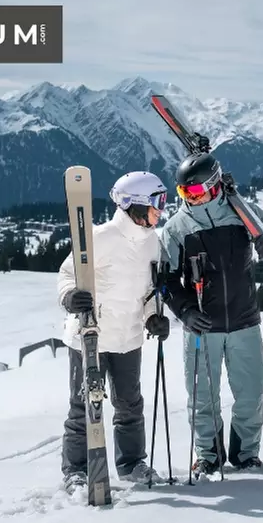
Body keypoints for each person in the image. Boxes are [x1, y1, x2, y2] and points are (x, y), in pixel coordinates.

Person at [160, 152, 263, 477]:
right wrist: (185, 311)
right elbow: (165, 282)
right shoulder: (177, 228)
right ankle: (208, 456)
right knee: (202, 398)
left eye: (194, 192)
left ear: (214, 185)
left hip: (245, 320)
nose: (189, 199)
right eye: (183, 194)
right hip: (202, 327)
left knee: (251, 393)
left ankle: (246, 455)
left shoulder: (241, 212)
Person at [57, 171, 172, 492]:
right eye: (156, 202)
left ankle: (132, 463)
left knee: (130, 405)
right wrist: (70, 296)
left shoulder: (153, 242)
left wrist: (153, 317)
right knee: (84, 406)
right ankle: (76, 470)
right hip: (89, 336)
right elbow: (67, 274)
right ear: (135, 205)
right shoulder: (100, 238)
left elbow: (151, 290)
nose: (161, 209)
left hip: (128, 337)